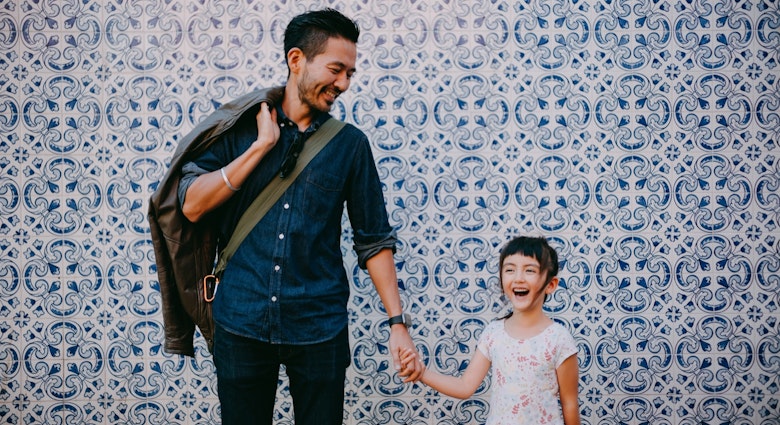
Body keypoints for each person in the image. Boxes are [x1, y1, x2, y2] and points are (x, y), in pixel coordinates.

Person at [177, 8, 421, 425]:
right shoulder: (239, 128)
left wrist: (397, 323)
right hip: (241, 320)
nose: (343, 84)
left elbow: (374, 239)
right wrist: (259, 148)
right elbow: (192, 204)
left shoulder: (350, 146)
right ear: (296, 60)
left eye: (350, 74)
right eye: (336, 70)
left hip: (319, 327)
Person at [400, 236, 580, 425]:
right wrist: (422, 373)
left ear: (551, 285)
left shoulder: (559, 339)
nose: (518, 278)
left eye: (530, 270)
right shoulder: (493, 333)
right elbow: (465, 386)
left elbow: (570, 404)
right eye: (510, 269)